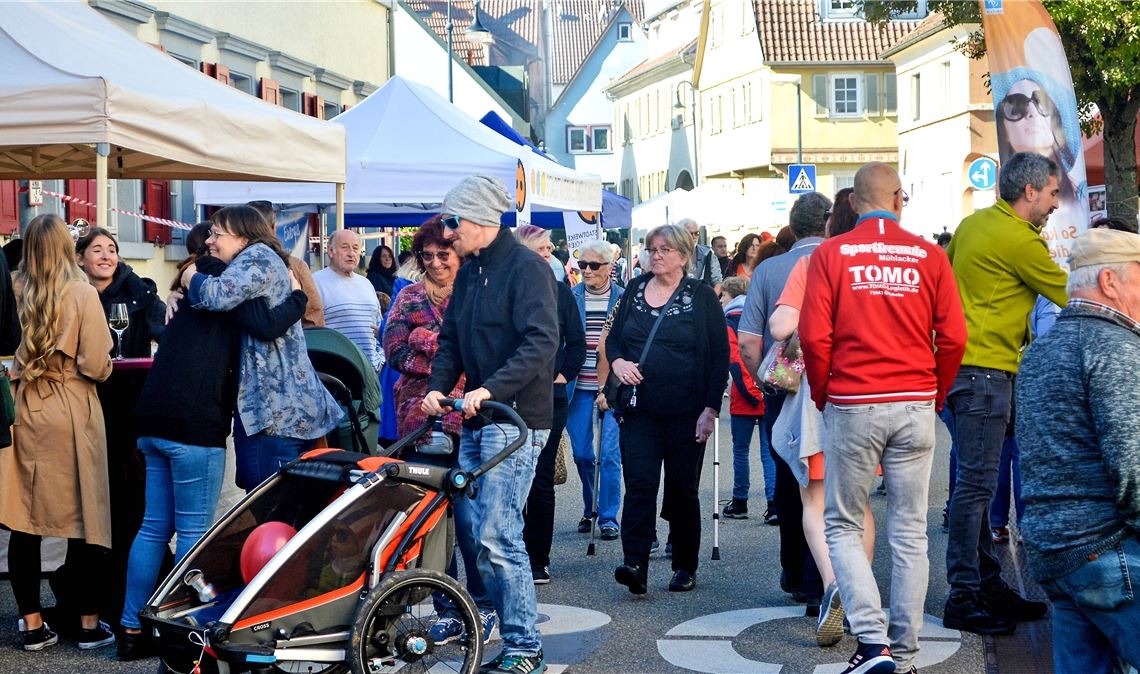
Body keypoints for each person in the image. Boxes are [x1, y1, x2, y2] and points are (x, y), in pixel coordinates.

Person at [798, 163, 967, 673]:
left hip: (854, 400)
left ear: (853, 202)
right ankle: (907, 652)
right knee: (910, 531)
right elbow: (955, 336)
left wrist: (825, 393)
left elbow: (813, 337)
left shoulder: (832, 254)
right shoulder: (929, 255)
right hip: (914, 400)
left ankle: (873, 644)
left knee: (843, 524)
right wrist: (935, 392)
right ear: (898, 198)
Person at [117, 224, 308, 660]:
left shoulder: (193, 288)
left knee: (152, 528)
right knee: (192, 532)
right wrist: (297, 297)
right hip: (194, 423)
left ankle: (130, 630)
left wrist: (186, 278)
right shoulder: (223, 287)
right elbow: (266, 325)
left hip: (152, 417)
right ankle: (183, 635)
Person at [422, 175, 558, 674]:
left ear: (478, 218)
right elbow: (451, 341)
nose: (448, 232)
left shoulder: (526, 268)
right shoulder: (471, 271)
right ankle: (507, 630)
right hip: (479, 419)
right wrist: (438, 387)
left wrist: (490, 388)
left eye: (453, 222)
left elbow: (542, 340)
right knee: (479, 538)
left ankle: (525, 647)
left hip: (516, 419)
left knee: (499, 535)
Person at [943, 151, 1068, 635]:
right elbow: (1072, 293)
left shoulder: (972, 225)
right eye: (1052, 193)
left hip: (963, 371)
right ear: (1030, 191)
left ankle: (986, 584)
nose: (1055, 203)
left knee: (974, 485)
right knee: (975, 488)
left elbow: (943, 288)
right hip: (986, 373)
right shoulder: (1020, 239)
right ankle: (964, 595)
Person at [1016, 227, 1140, 672]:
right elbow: (1132, 463)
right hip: (1108, 549)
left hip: (1055, 553)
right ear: (1109, 281)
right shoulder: (1117, 347)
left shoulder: (1040, 351)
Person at [767, 187, 878, 647]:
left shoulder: (814, 262)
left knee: (814, 502)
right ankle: (860, 594)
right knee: (859, 502)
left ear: (831, 222)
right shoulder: (881, 263)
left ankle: (834, 584)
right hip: (870, 389)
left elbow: (780, 327)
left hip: (820, 393)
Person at [0, 214, 115, 652]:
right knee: (84, 519)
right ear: (69, 249)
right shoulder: (82, 293)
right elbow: (95, 365)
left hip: (23, 406)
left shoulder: (13, 288)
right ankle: (87, 624)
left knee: (25, 521)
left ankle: (32, 625)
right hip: (70, 409)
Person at [382, 216, 499, 647]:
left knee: (470, 522)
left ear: (457, 254)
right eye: (427, 255)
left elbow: (480, 353)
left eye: (443, 254)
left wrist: (425, 339)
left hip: (470, 420)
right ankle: (448, 609)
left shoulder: (475, 291)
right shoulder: (408, 296)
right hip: (420, 421)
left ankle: (483, 606)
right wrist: (441, 357)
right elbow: (394, 352)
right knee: (432, 525)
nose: (435, 262)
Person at [181, 205, 342, 491]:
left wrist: (189, 277)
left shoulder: (255, 257)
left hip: (274, 413)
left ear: (243, 238)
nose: (209, 241)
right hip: (281, 412)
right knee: (283, 503)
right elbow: (261, 322)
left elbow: (218, 296)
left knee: (268, 505)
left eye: (217, 234)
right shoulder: (258, 262)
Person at [606, 223, 729, 595]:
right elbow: (613, 339)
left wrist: (710, 408)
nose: (656, 256)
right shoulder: (634, 289)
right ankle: (635, 563)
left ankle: (685, 565)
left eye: (664, 250)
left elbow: (719, 355)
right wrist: (617, 363)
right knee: (639, 486)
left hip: (686, 411)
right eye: (651, 249)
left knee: (682, 490)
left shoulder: (701, 296)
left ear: (683, 255)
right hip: (639, 410)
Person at [738, 192, 831, 608]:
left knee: (791, 483)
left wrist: (766, 381)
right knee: (828, 484)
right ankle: (825, 579)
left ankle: (795, 572)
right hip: (835, 387)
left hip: (786, 386)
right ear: (828, 223)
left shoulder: (769, 269)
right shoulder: (840, 259)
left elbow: (748, 340)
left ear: (792, 228)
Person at [516, 225, 586, 584]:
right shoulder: (508, 289)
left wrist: (561, 377)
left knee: (541, 477)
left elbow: (577, 344)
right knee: (511, 478)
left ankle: (538, 558)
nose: (548, 254)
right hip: (509, 397)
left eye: (549, 249)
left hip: (550, 397)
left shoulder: (560, 292)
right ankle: (511, 552)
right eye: (541, 249)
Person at [565, 239, 624, 543]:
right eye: (582, 265)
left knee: (609, 454)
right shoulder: (570, 296)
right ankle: (592, 507)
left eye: (593, 265)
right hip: (577, 387)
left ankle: (609, 517)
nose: (586, 270)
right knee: (582, 454)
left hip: (612, 387)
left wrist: (612, 385)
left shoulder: (624, 299)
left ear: (609, 267)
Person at [719, 276, 775, 523]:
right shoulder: (760, 317)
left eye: (723, 295)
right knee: (768, 452)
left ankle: (740, 501)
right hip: (768, 390)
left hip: (744, 396)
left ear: (731, 295)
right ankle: (774, 503)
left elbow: (736, 360)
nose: (721, 300)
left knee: (740, 451)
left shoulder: (730, 321)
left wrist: (751, 392)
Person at [75, 227, 165, 358]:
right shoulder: (70, 295)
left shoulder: (139, 293)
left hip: (132, 371)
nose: (106, 257)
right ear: (79, 259)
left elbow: (172, 336)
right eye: (97, 251)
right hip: (84, 371)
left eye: (112, 251)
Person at [313, 229, 383, 372]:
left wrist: (381, 359)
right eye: (345, 247)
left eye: (355, 248)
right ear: (330, 251)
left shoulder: (366, 284)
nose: (351, 253)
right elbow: (311, 330)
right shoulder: (315, 282)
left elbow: (378, 325)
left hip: (372, 372)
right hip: (336, 372)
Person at [247, 200, 325, 328]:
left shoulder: (296, 266)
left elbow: (313, 317)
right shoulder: (295, 265)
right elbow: (314, 317)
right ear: (274, 228)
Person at [678, 218, 723, 292]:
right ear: (679, 234)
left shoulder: (707, 253)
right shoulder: (672, 253)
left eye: (696, 233)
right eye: (690, 233)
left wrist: (710, 297)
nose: (694, 237)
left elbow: (718, 282)